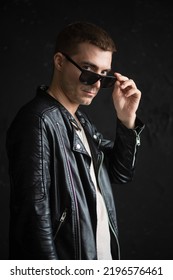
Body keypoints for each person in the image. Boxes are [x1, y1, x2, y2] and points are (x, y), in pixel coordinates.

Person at [6, 21, 145, 260]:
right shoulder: (38, 121)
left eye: (105, 75)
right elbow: (33, 218)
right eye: (89, 71)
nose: (97, 84)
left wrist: (126, 120)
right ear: (59, 61)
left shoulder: (79, 121)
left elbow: (119, 174)